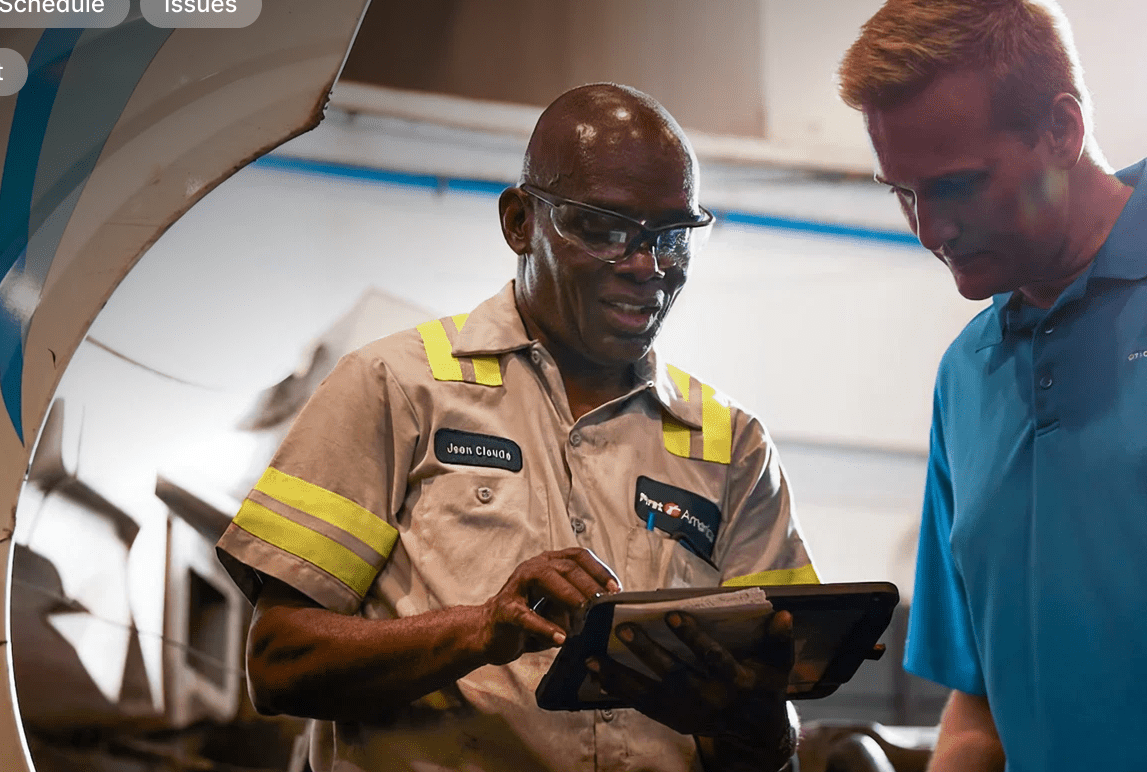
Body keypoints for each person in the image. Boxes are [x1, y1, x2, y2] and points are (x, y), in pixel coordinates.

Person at [215, 82, 819, 772]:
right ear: (520, 222)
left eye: (673, 237)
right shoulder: (396, 390)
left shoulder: (732, 446)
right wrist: (482, 628)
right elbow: (279, 663)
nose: (647, 268)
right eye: (605, 228)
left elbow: (772, 722)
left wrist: (760, 722)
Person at [837, 0, 1147, 771]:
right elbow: (980, 709)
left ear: (1061, 130)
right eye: (904, 195)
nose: (929, 231)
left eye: (955, 187)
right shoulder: (967, 377)